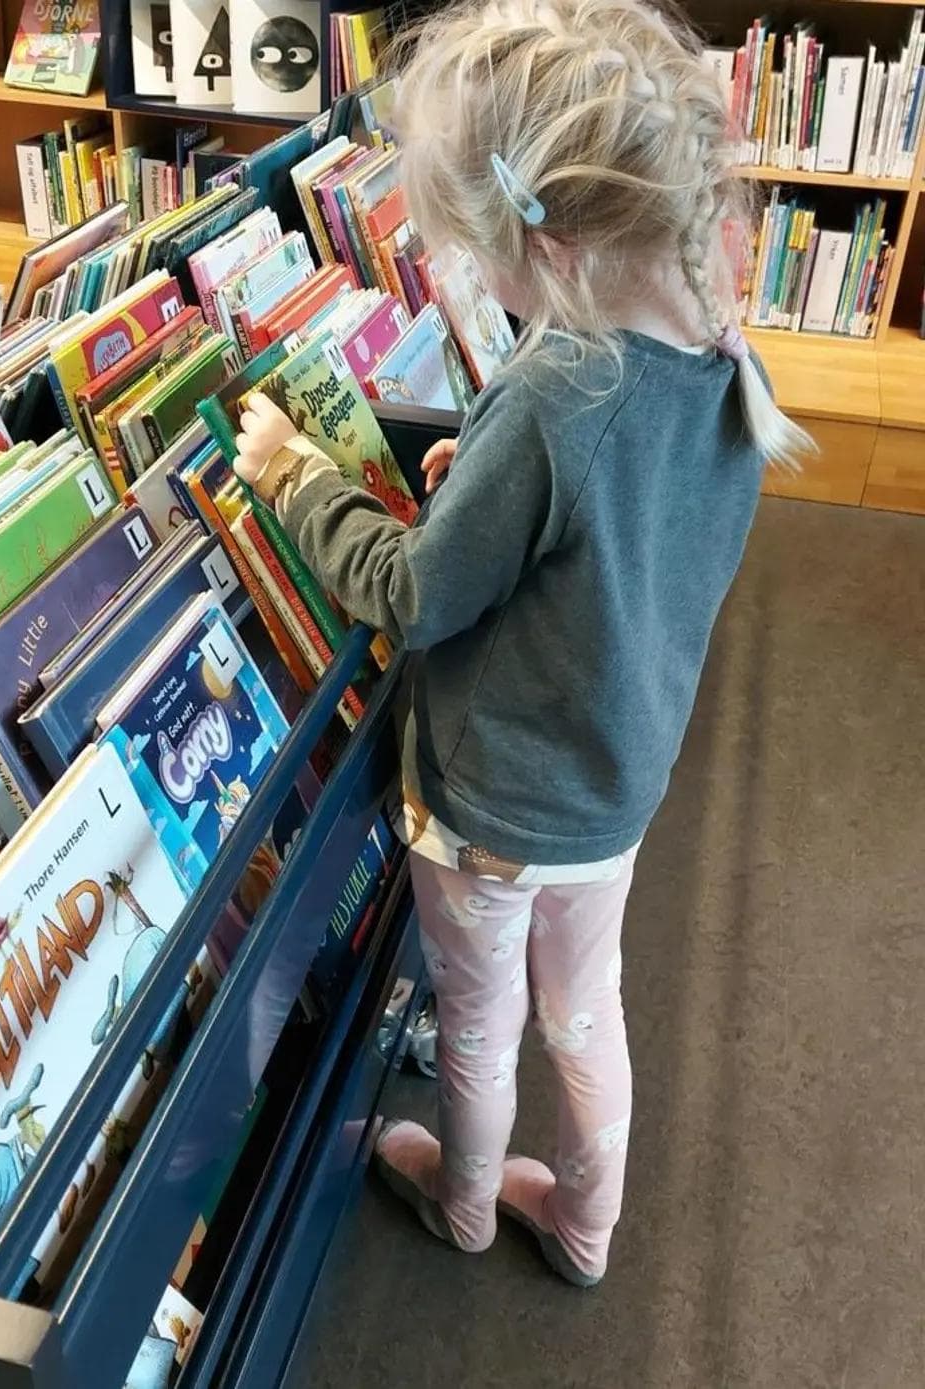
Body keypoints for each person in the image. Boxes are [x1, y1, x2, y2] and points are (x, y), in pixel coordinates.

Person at [231, 0, 811, 1288]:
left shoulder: (560, 394)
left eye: (470, 249)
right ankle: (589, 1229)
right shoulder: (719, 347)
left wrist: (291, 478)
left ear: (540, 238)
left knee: (482, 1028)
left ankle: (471, 1206)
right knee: (585, 1014)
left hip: (492, 806)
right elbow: (615, 540)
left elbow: (415, 593)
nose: (467, 278)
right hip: (614, 788)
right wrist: (481, 481)